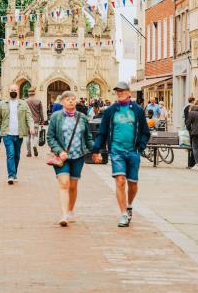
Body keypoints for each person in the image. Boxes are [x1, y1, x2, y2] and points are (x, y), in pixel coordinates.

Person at [93, 81, 150, 227]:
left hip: (133, 151)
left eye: (122, 91)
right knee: (120, 181)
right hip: (116, 151)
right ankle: (123, 214)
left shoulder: (137, 110)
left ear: (129, 92)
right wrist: (96, 149)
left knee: (132, 184)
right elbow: (103, 131)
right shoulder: (111, 110)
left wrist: (140, 147)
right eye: (117, 91)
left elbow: (145, 131)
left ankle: (129, 205)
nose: (120, 93)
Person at [47, 91, 94, 226]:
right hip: (61, 157)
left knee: (73, 185)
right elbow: (51, 137)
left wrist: (95, 151)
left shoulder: (82, 117)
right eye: (68, 99)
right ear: (62, 102)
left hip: (78, 155)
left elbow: (88, 137)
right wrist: (59, 151)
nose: (71, 101)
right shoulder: (56, 117)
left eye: (73, 99)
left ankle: (70, 210)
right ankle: (63, 215)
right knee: (64, 183)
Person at [0, 84, 34, 184]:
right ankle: (11, 175)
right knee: (10, 154)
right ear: (8, 91)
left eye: (15, 90)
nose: (13, 91)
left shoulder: (23, 104)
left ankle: (14, 172)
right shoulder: (2, 104)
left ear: (18, 91)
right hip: (7, 133)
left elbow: (29, 117)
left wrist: (31, 127)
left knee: (17, 155)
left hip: (19, 134)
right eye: (11, 90)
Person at [25, 87, 44, 157]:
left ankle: (29, 152)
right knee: (35, 135)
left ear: (28, 93)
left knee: (28, 137)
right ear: (34, 93)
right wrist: (42, 120)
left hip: (27, 121)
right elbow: (41, 112)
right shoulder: (38, 101)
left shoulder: (25, 101)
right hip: (36, 121)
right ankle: (34, 145)